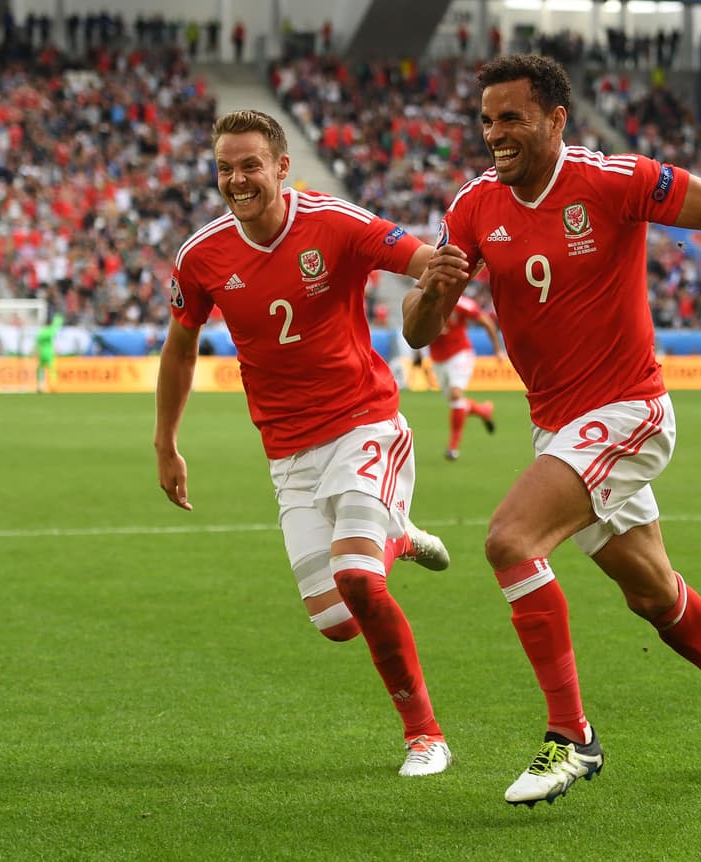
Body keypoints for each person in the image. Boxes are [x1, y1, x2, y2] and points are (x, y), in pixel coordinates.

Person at [403, 55, 701, 807]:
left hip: (629, 412)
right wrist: (430, 297)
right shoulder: (472, 207)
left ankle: (572, 737)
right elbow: (417, 331)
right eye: (487, 120)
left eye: (512, 118)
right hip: (558, 429)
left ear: (556, 119)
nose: (496, 133)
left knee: (509, 541)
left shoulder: (612, 180)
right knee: (653, 597)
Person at [154, 109, 454, 777]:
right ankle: (397, 536)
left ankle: (425, 735)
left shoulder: (334, 222)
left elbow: (420, 258)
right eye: (225, 168)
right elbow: (179, 350)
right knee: (337, 620)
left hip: (363, 424)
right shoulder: (202, 255)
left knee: (357, 578)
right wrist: (165, 444)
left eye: (250, 165)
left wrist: (443, 269)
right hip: (287, 453)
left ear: (282, 167)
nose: (237, 179)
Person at [427, 290, 505, 460]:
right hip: (438, 360)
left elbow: (487, 322)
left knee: (456, 396)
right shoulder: (426, 301)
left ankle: (453, 448)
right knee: (457, 403)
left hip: (460, 353)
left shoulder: (461, 303)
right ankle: (483, 411)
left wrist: (498, 350)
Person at [35, 312, 63, 393]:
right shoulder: (50, 331)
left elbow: (37, 343)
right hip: (49, 353)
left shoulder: (40, 332)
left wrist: (36, 352)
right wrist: (58, 318)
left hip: (41, 353)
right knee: (52, 370)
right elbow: (56, 327)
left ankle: (40, 387)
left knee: (40, 369)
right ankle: (53, 386)